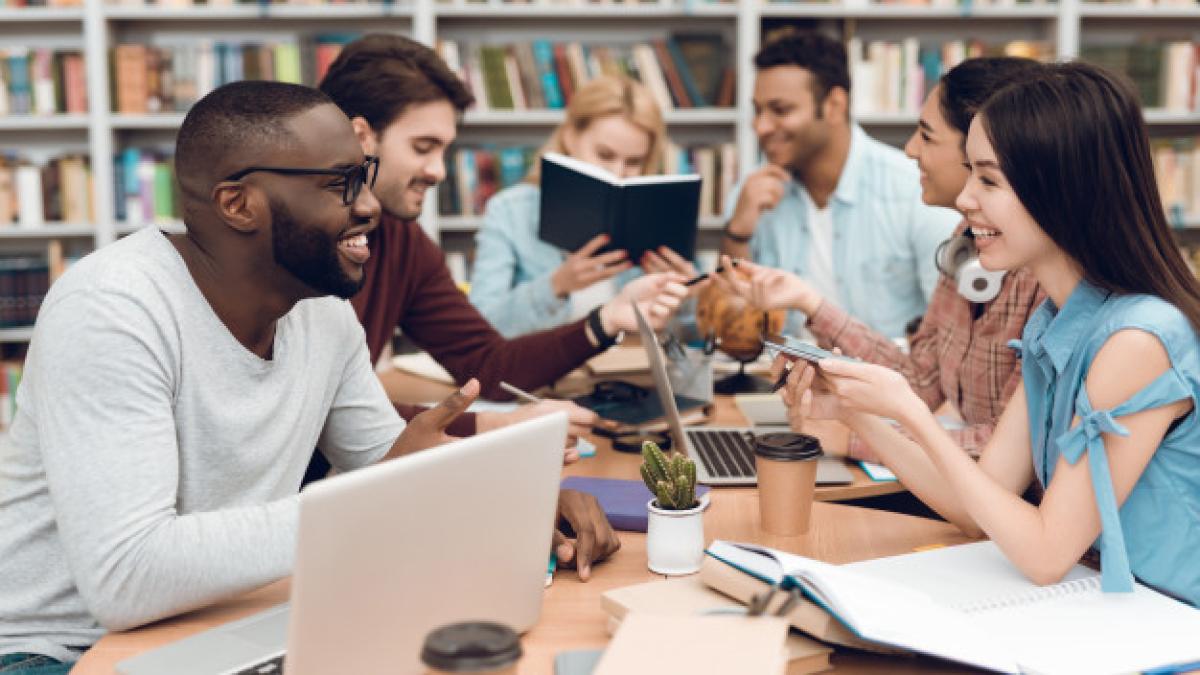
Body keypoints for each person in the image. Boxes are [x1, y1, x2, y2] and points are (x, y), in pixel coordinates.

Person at [0, 81, 489, 672]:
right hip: (61, 652)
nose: (368, 206)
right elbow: (126, 575)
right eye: (341, 184)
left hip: (224, 626)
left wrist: (520, 504)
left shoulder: (322, 312)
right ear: (238, 204)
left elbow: (389, 467)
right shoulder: (111, 309)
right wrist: (381, 496)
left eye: (364, 176)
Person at [780, 62, 1200, 605]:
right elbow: (976, 505)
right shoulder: (1058, 320)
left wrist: (907, 410)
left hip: (1168, 625)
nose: (964, 199)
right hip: (1105, 605)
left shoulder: (1137, 341)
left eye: (989, 180)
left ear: (1061, 190)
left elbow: (1047, 554)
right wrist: (856, 412)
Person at [317, 35, 688, 443]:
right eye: (423, 147)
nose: (439, 171)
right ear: (360, 138)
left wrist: (606, 319)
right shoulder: (295, 240)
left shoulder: (404, 242)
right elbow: (331, 412)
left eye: (444, 150)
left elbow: (487, 365)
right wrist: (497, 426)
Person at [715, 57, 1046, 461]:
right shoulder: (965, 239)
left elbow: (1011, 456)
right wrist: (810, 304)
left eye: (926, 136)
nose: (909, 150)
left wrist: (854, 439)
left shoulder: (1047, 273)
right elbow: (922, 380)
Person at [722, 31, 959, 338]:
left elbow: (948, 333)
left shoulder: (916, 189)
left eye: (780, 110)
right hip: (781, 380)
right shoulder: (750, 194)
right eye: (758, 110)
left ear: (834, 104)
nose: (761, 126)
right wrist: (737, 233)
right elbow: (732, 331)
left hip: (889, 379)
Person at [468, 74, 696, 337]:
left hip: (627, 371)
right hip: (544, 375)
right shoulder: (509, 211)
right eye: (604, 155)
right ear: (570, 136)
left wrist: (688, 294)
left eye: (634, 162)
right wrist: (556, 286)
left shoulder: (655, 215)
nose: (618, 172)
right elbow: (481, 327)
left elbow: (694, 336)